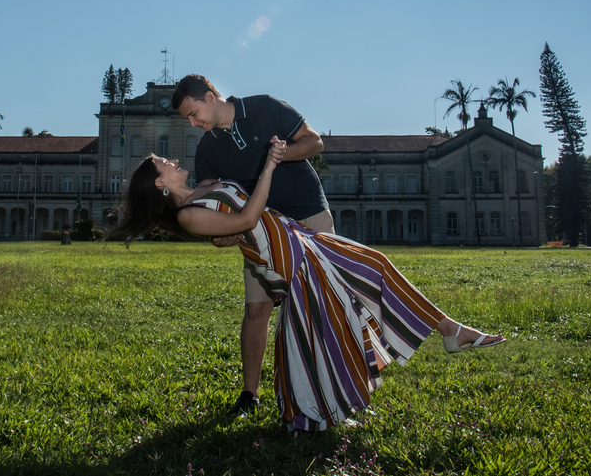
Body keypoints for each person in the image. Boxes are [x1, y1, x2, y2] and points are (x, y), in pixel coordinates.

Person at [111, 144, 505, 432]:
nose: (174, 160)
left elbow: (237, 218)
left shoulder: (204, 189)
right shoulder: (189, 216)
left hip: (297, 237)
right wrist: (269, 165)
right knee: (329, 319)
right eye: (165, 162)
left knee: (369, 272)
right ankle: (323, 406)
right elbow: (248, 217)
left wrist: (236, 222)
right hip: (286, 258)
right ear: (160, 181)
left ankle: (449, 331)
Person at [170, 74, 331, 417]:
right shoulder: (207, 150)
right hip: (261, 234)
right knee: (257, 310)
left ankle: (328, 390)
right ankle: (249, 394)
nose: (192, 123)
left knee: (321, 307)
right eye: (188, 119)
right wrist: (221, 235)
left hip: (309, 215)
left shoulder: (265, 107)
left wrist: (283, 152)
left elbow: (314, 142)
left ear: (211, 98)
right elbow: (211, 204)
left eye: (194, 113)